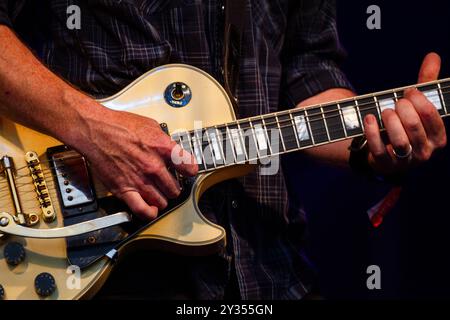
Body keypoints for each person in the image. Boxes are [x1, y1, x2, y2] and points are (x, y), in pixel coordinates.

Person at [0, 0, 446, 299]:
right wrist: (90, 127)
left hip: (267, 268)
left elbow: (309, 76)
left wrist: (377, 139)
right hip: (102, 258)